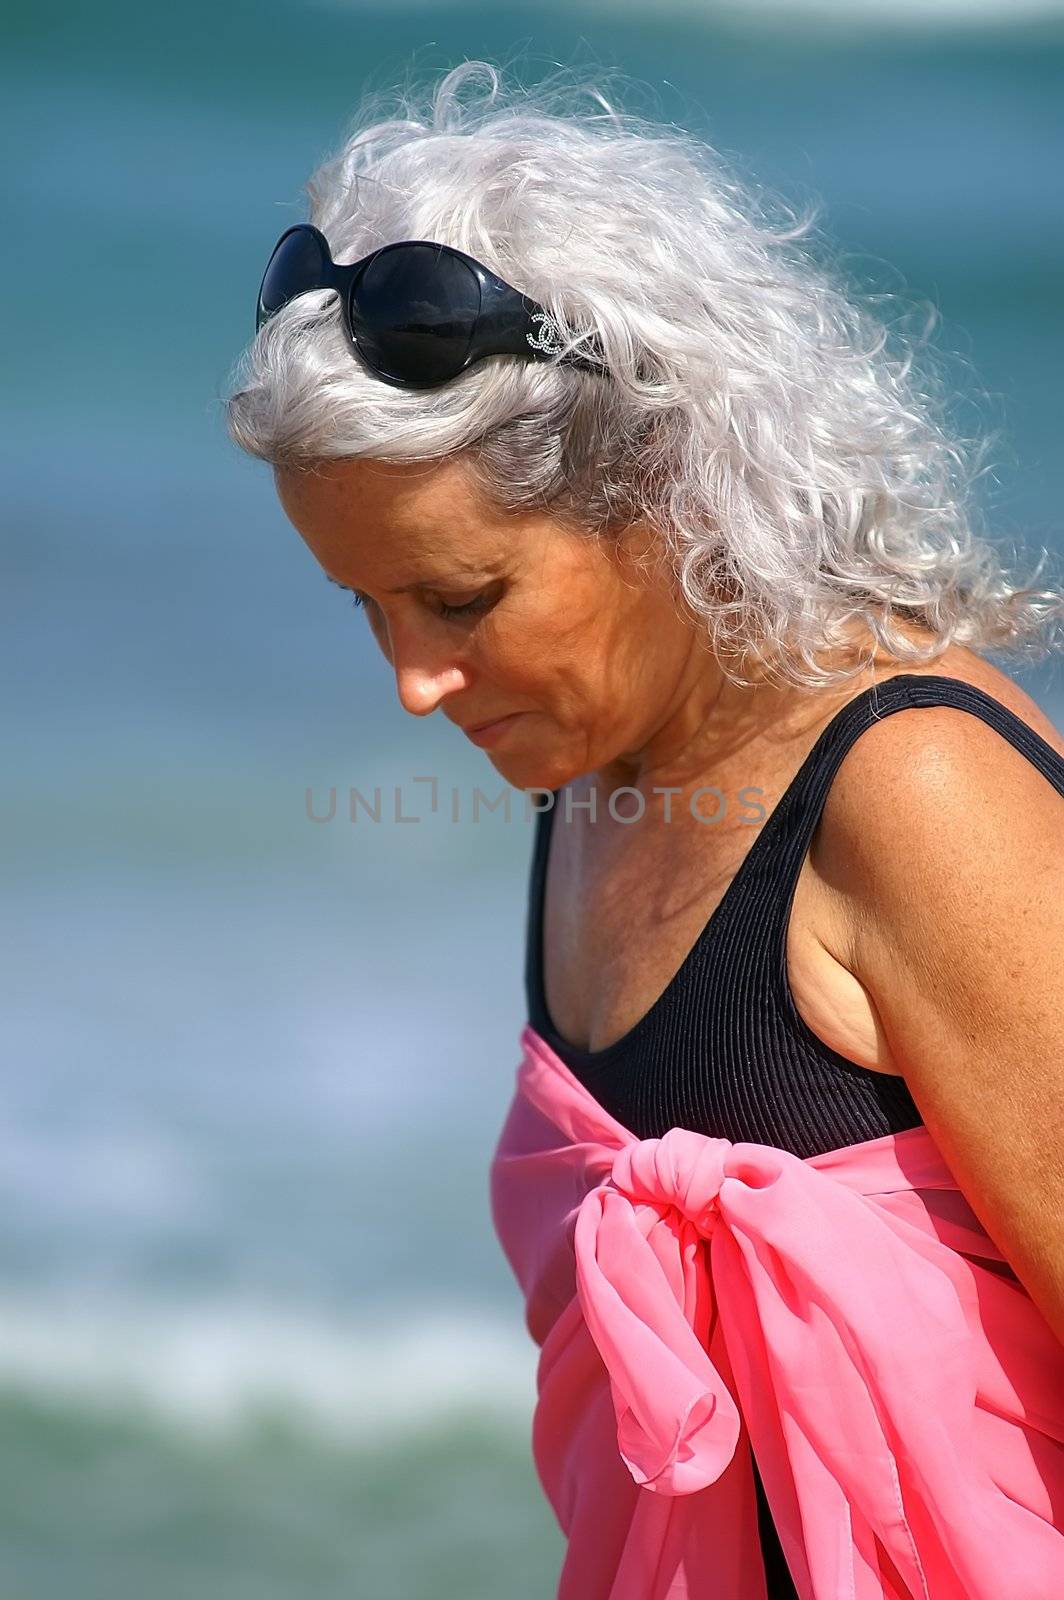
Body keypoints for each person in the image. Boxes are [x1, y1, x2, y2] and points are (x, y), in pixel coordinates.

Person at [225, 60, 1064, 1599]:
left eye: (462, 598)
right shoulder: (596, 781)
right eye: (370, 607)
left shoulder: (913, 792)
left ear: (668, 489)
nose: (415, 685)